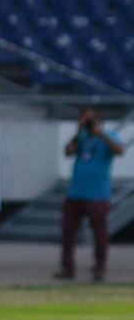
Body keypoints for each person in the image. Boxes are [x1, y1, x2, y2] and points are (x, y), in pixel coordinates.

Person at [56, 106, 124, 282]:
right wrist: (78, 132)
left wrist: (101, 133)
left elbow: (119, 149)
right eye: (83, 118)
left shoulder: (107, 135)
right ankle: (67, 267)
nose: (86, 121)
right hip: (75, 193)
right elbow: (68, 152)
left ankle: (99, 268)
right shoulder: (81, 137)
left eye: (89, 118)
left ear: (98, 119)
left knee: (100, 234)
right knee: (68, 233)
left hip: (98, 194)